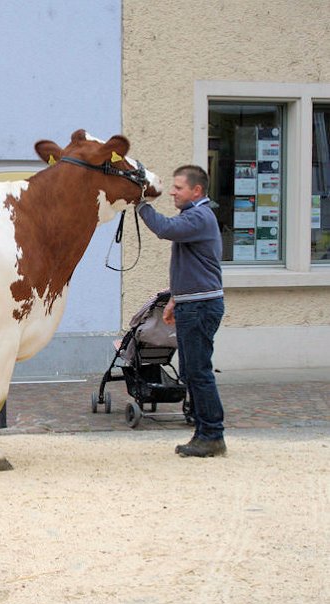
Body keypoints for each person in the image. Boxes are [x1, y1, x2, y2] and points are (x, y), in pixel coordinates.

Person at [136, 165, 227, 458]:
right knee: (191, 371)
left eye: (178, 187)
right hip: (193, 302)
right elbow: (194, 265)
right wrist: (176, 298)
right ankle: (204, 433)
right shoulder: (195, 215)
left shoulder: (199, 216)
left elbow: (165, 229)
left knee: (198, 372)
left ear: (196, 191)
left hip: (200, 306)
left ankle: (212, 434)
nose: (172, 192)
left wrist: (139, 202)